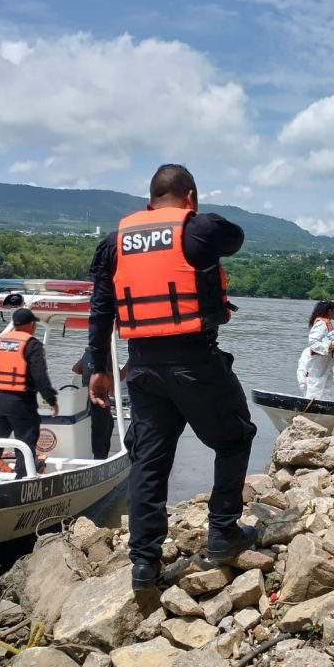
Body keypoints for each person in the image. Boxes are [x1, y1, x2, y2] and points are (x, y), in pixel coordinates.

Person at [80, 163, 257, 592]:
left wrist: (97, 368)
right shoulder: (200, 229)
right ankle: (223, 533)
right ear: (191, 198)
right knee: (235, 437)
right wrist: (195, 218)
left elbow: (102, 308)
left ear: (148, 201)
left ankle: (144, 564)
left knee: (149, 461)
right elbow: (235, 237)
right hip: (195, 361)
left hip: (140, 367)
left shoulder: (115, 242)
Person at [0, 308, 59, 482]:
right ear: (30, 325)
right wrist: (51, 400)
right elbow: (40, 376)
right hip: (22, 403)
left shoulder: (0, 342)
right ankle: (22, 478)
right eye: (34, 323)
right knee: (26, 442)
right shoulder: (32, 345)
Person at [296, 301, 334, 399]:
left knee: (329, 384)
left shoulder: (326, 323)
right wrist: (327, 348)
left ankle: (328, 404)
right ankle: (311, 404)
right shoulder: (321, 323)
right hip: (319, 360)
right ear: (330, 311)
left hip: (327, 359)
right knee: (316, 382)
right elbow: (312, 342)